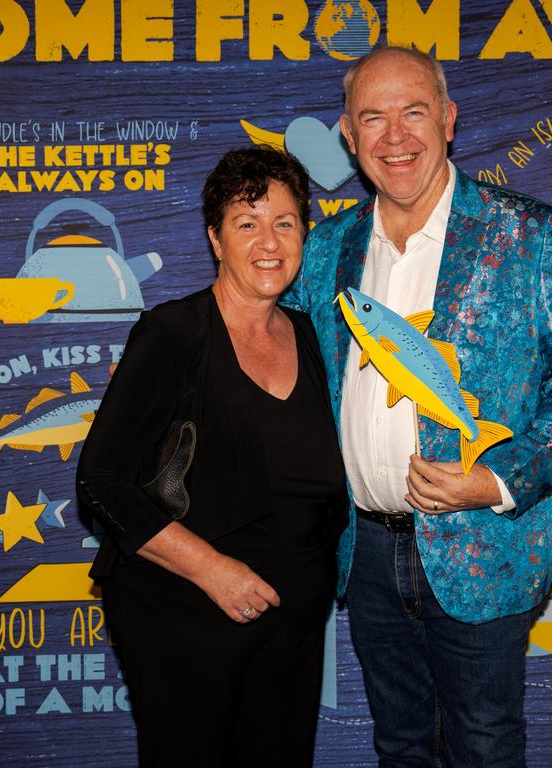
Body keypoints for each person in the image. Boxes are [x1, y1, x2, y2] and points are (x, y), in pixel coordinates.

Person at [283, 47, 552, 767]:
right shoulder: (325, 249)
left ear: (450, 119)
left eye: (414, 112)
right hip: (363, 549)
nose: (395, 136)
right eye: (373, 117)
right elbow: (269, 354)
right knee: (401, 746)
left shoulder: (526, 232)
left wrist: (495, 482)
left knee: (485, 745)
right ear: (347, 134)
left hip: (484, 547)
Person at [76, 146, 346, 768]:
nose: (269, 241)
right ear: (216, 240)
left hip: (293, 622)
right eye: (246, 223)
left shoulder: (315, 336)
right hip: (185, 613)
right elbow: (102, 480)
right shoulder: (172, 334)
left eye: (284, 222)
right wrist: (211, 570)